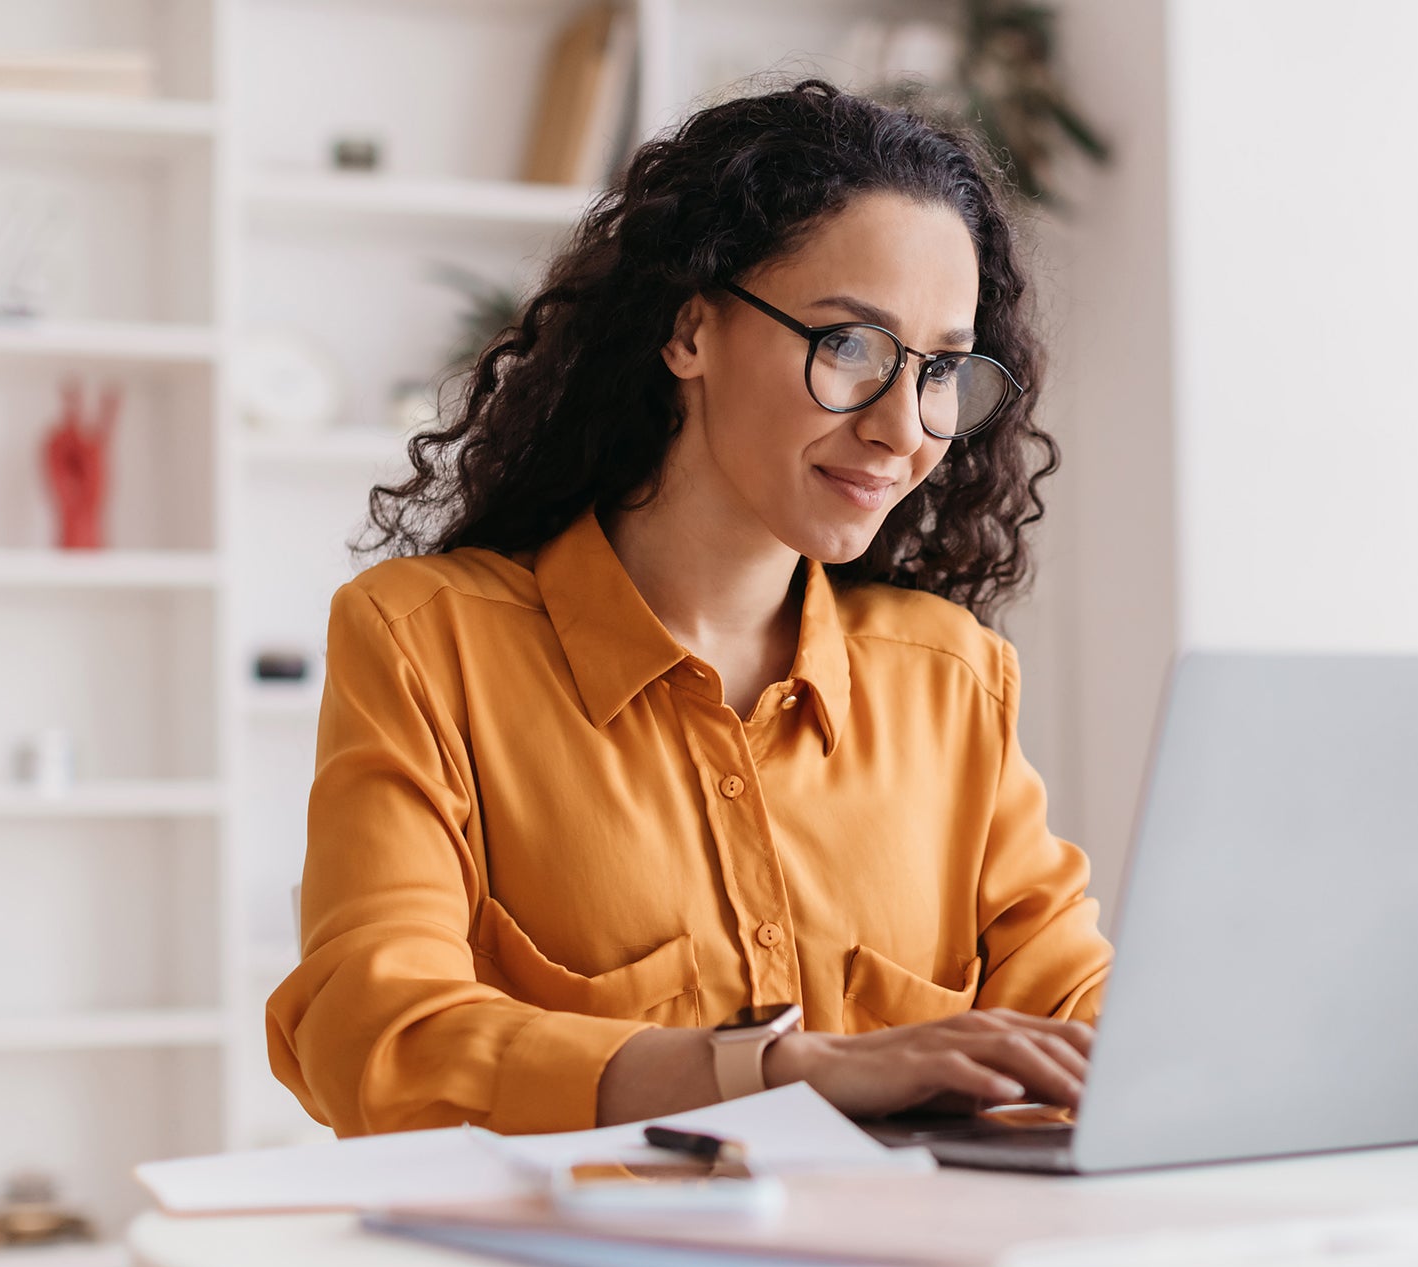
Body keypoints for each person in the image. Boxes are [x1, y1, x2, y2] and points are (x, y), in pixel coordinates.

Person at [266, 80, 1109, 1150]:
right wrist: (780, 1072)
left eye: (941, 368)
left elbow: (1078, 1024)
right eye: (850, 345)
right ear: (690, 331)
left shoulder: (949, 676)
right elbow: (374, 1036)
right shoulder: (429, 642)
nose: (905, 427)